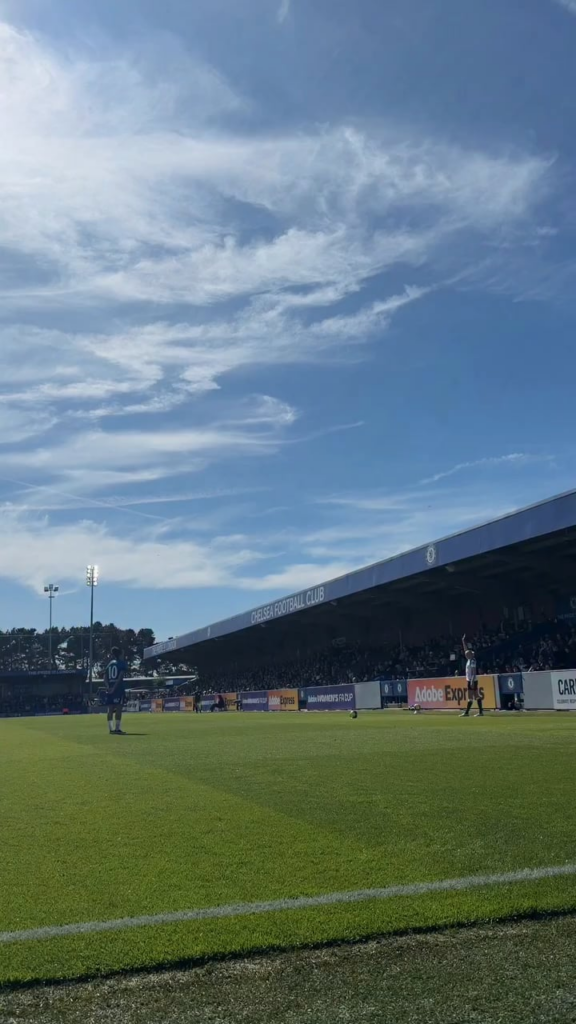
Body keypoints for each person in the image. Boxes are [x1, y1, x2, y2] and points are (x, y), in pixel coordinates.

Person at [105, 647, 128, 734]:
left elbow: (105, 677)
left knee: (110, 709)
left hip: (110, 689)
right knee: (119, 708)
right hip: (118, 689)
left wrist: (108, 687)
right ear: (120, 654)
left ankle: (111, 729)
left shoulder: (110, 664)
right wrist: (114, 688)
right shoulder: (122, 664)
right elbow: (120, 677)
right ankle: (117, 729)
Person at [460, 635, 483, 718]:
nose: (466, 655)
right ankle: (480, 712)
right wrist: (463, 641)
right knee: (476, 695)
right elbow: (466, 650)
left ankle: (467, 712)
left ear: (470, 655)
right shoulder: (470, 659)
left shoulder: (472, 660)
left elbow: (473, 671)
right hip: (471, 680)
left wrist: (472, 681)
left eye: (467, 654)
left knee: (471, 696)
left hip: (472, 680)